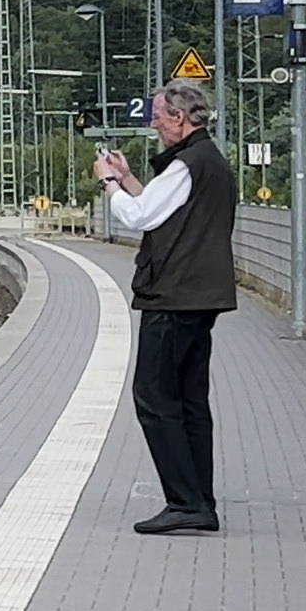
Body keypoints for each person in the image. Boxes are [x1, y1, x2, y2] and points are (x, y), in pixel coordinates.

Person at [91, 79, 232, 534]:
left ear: (179, 117)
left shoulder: (188, 164)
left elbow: (140, 216)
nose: (153, 124)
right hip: (199, 296)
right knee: (189, 401)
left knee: (154, 396)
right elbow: (160, 205)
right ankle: (199, 500)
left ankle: (185, 501)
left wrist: (109, 183)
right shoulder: (207, 160)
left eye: (157, 117)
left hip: (175, 294)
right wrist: (129, 179)